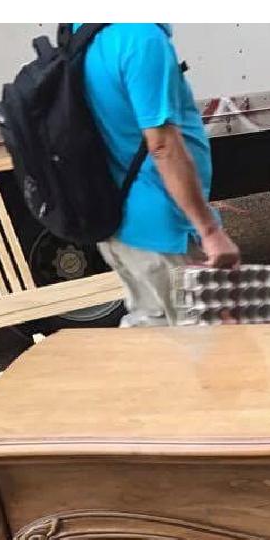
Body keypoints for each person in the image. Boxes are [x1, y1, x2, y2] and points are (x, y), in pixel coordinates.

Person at [77, 23, 240, 325]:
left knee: (157, 335)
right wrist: (209, 231)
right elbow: (163, 145)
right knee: (211, 340)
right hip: (162, 228)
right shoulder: (140, 38)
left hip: (122, 224)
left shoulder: (85, 32)